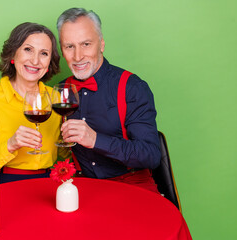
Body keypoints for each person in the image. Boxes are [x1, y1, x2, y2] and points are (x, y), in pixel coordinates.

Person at [56, 8, 161, 193]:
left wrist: (95, 139)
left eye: (86, 44)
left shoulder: (132, 87)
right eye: (69, 46)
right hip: (84, 189)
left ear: (101, 44)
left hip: (132, 186)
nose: (78, 56)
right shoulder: (61, 91)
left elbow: (151, 155)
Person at [0, 22, 66, 184]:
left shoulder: (55, 98)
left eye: (44, 53)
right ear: (13, 54)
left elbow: (64, 152)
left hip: (51, 181)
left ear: (50, 62)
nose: (35, 60)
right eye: (28, 49)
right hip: (7, 182)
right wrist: (10, 145)